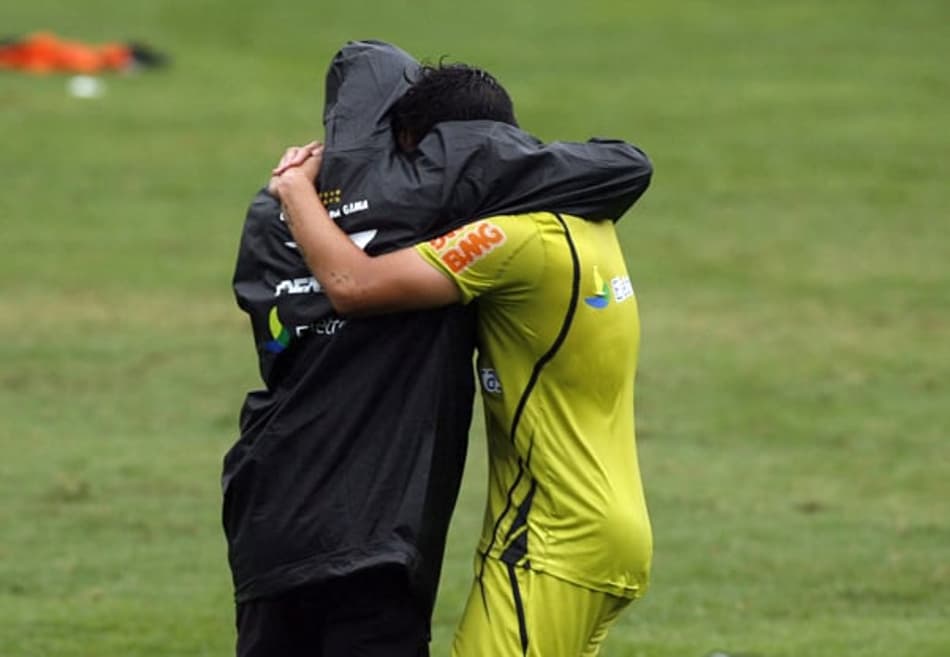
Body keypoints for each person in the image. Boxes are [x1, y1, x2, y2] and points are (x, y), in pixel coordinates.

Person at [226, 41, 652, 657]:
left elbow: (352, 286)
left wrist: (295, 191)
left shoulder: (505, 241)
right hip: (598, 520)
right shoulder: (588, 220)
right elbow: (624, 163)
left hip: (550, 533)